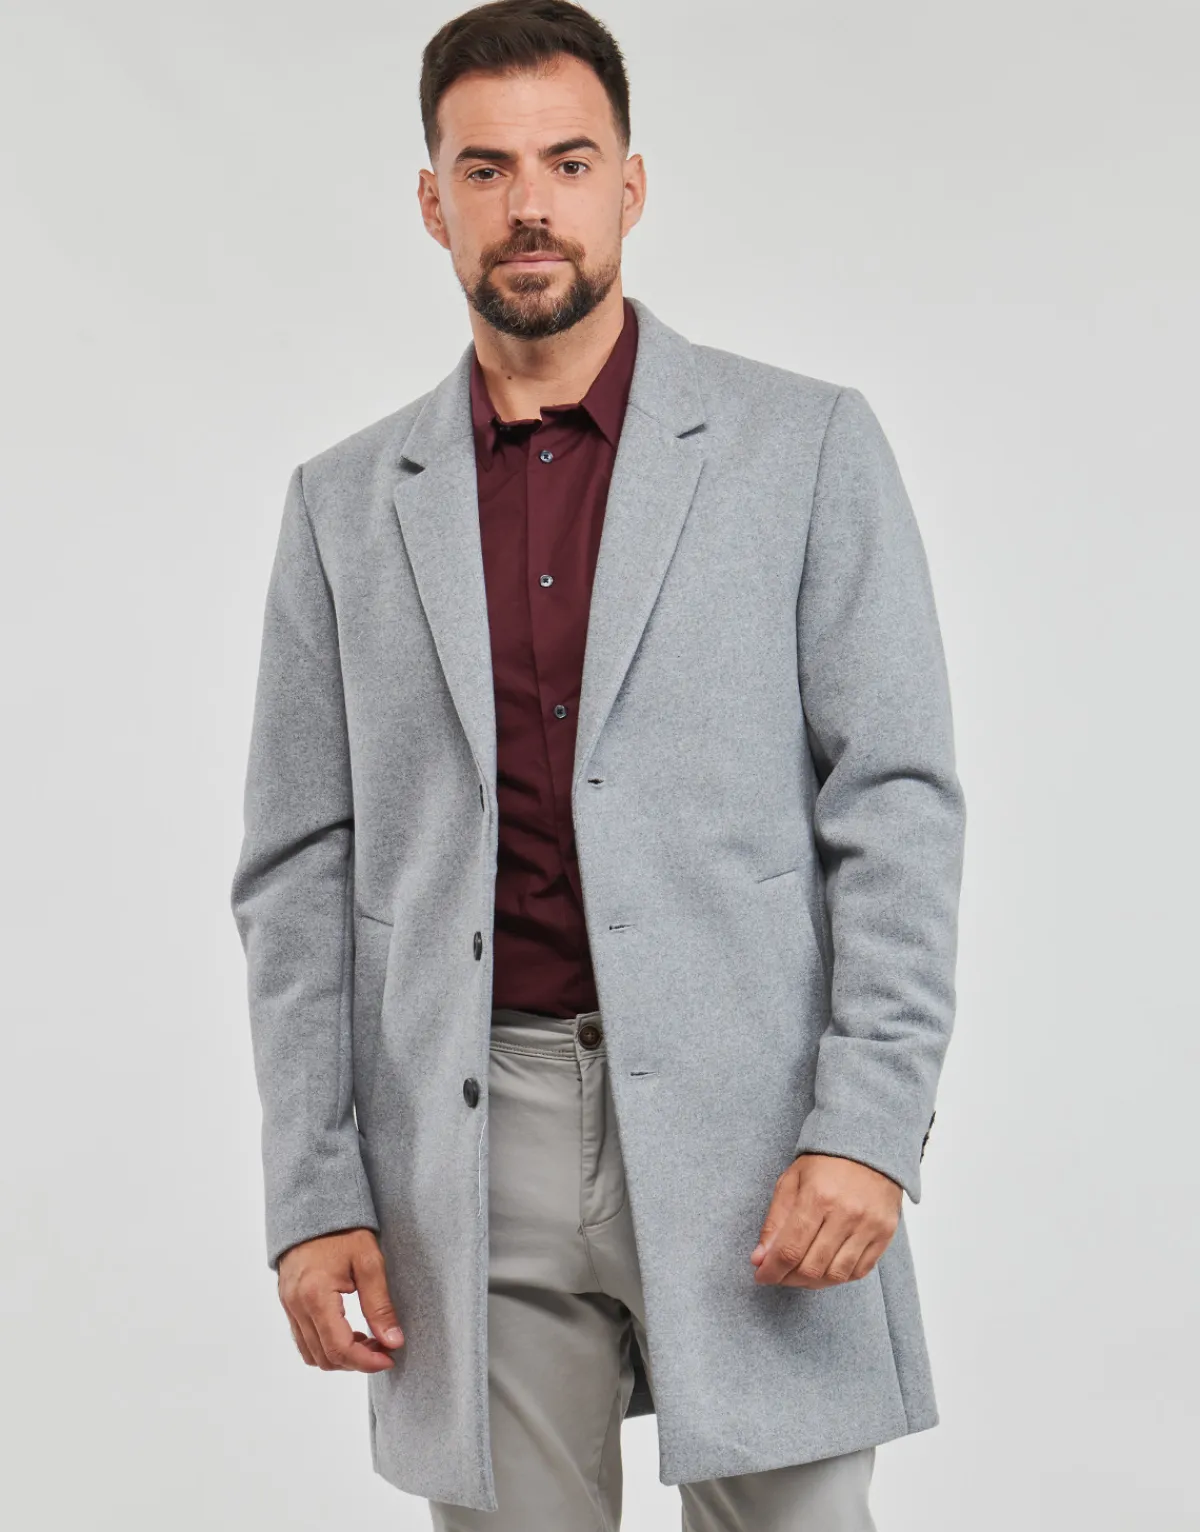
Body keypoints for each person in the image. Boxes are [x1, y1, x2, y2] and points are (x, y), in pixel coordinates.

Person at [229, 2, 967, 1527]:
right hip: (468, 1133)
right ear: (432, 202)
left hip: (756, 1116)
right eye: (486, 169)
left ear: (630, 186)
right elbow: (299, 873)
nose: (531, 205)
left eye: (568, 163)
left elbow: (895, 803)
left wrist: (867, 1123)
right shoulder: (345, 504)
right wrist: (315, 1192)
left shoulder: (803, 448)